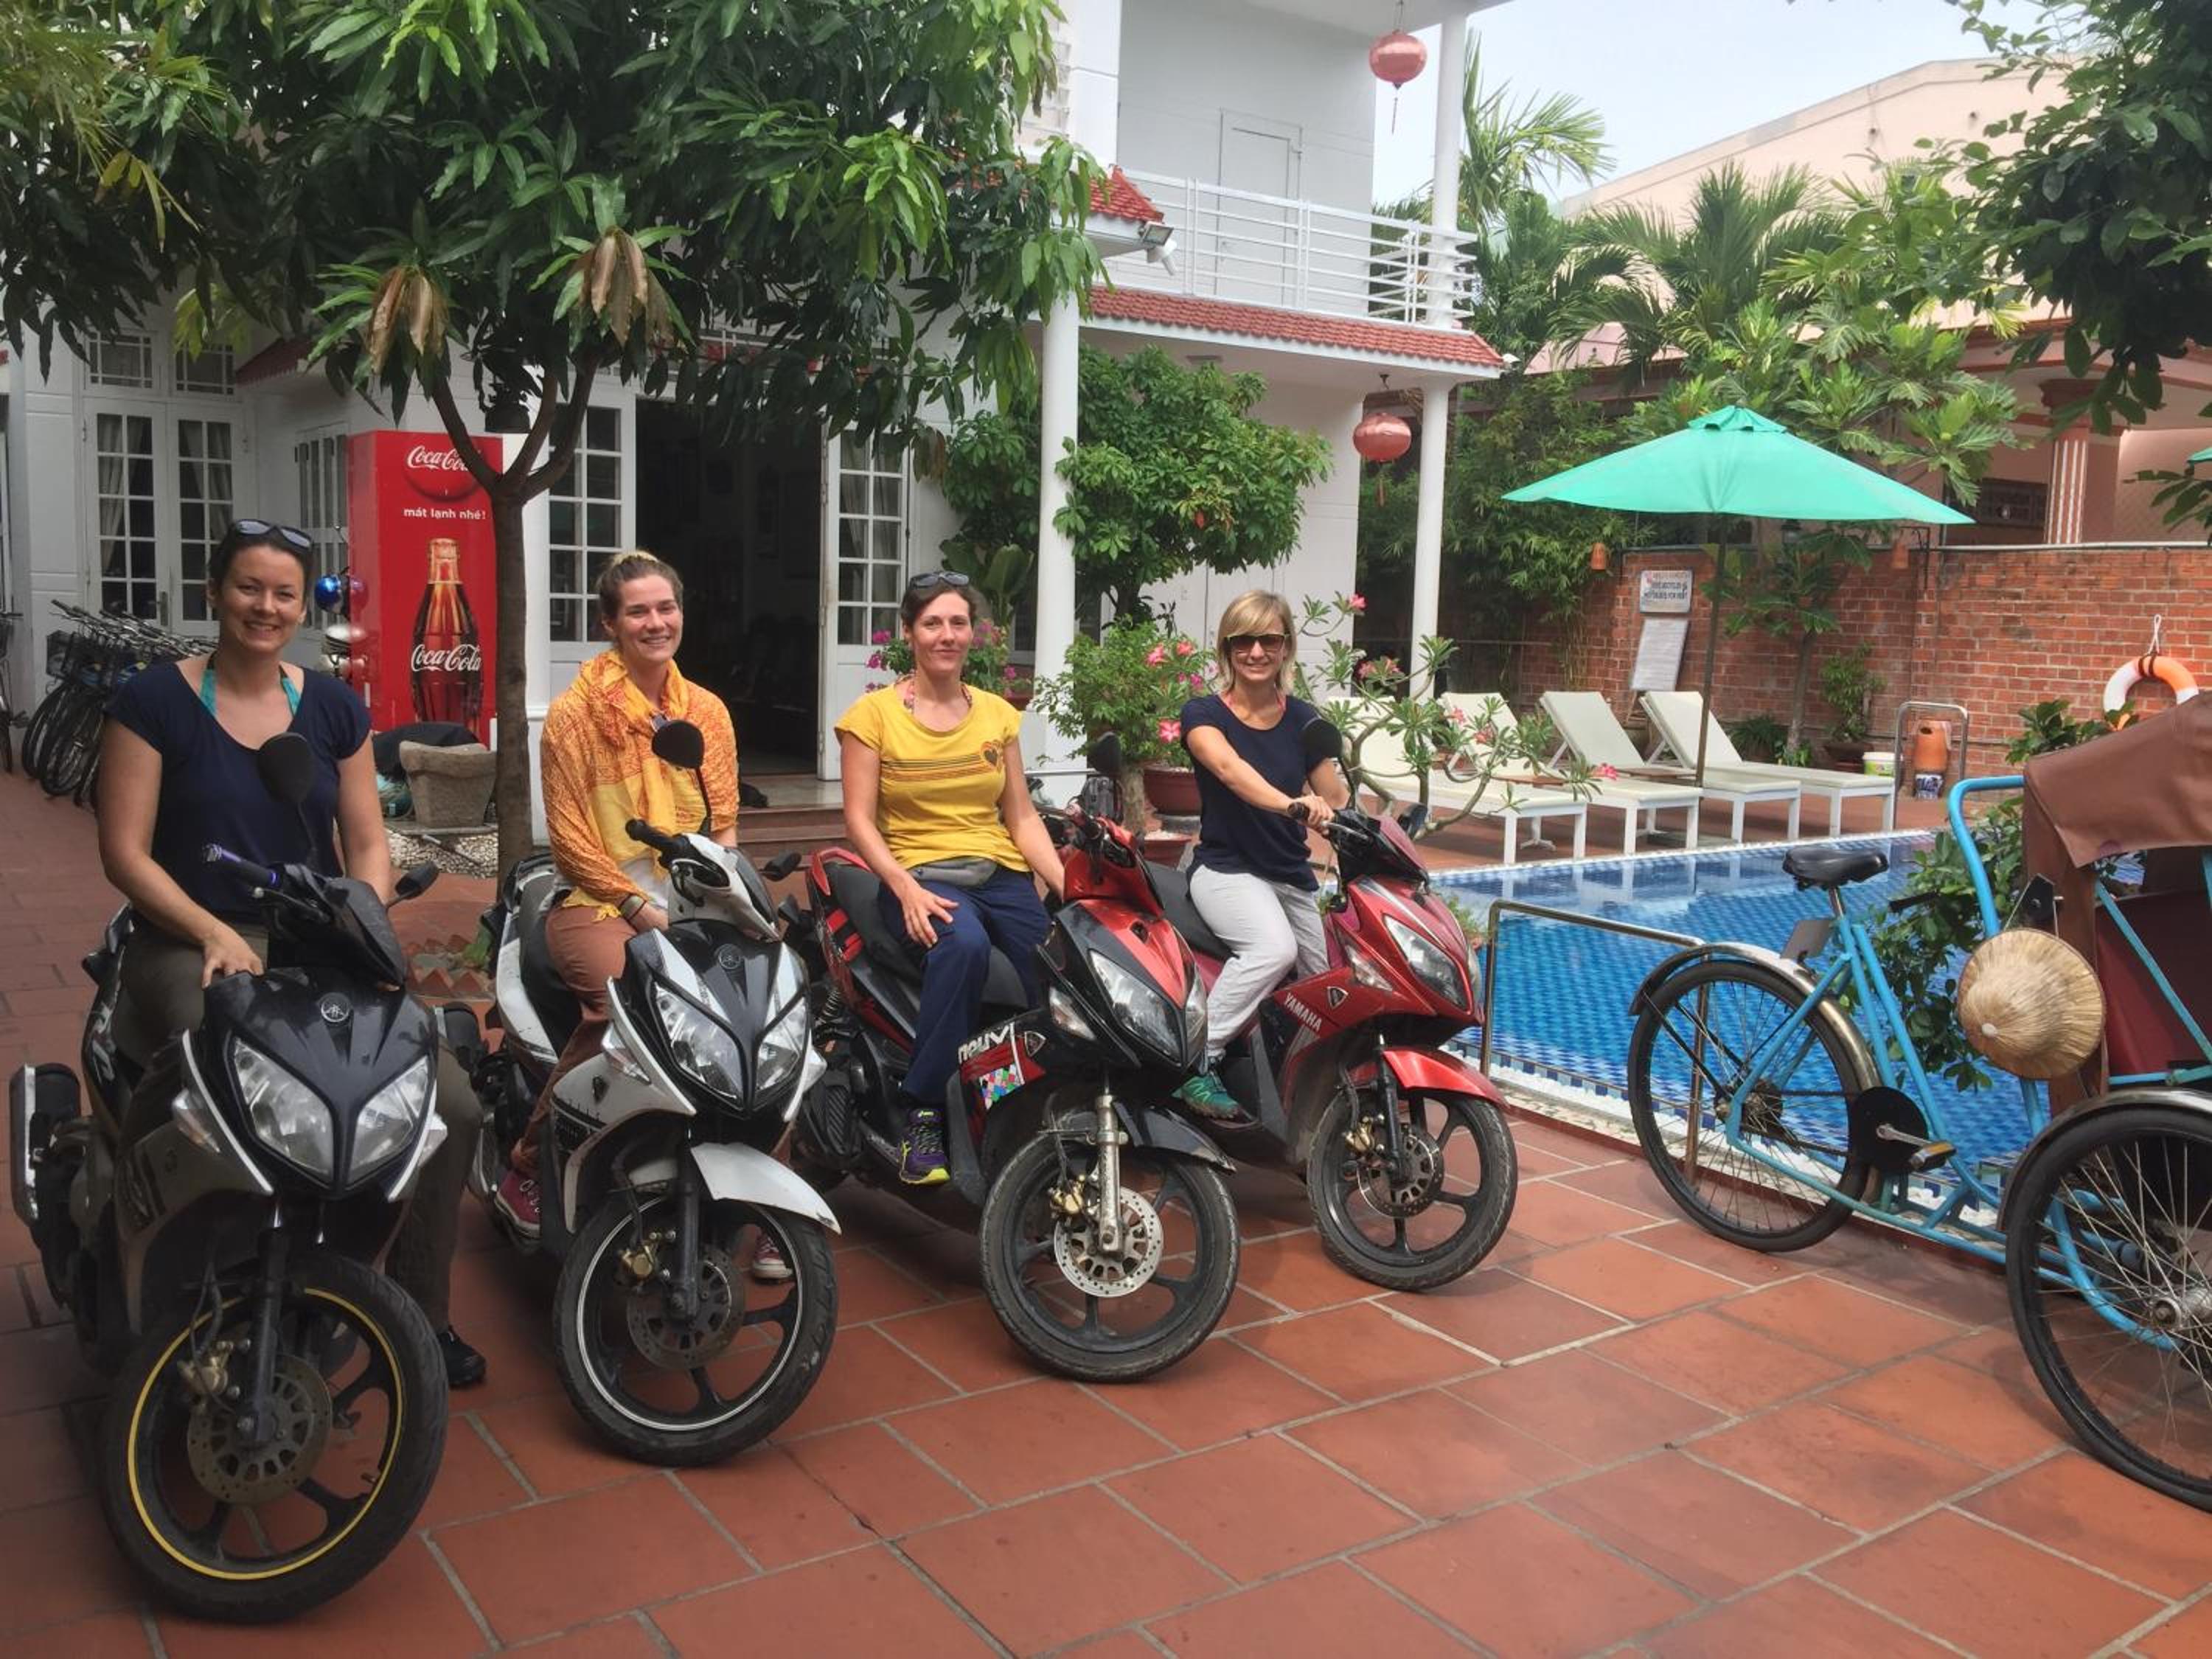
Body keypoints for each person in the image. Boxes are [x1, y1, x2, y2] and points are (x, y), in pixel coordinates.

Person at [96, 518, 487, 1386]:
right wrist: (211, 930)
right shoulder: (154, 702)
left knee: (450, 1102)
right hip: (191, 937)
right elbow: (124, 852)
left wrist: (363, 917)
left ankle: (420, 1316)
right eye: (248, 587)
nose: (265, 607)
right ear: (214, 593)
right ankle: (145, 1285)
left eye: (284, 593)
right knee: (204, 1079)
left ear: (303, 607)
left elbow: (367, 841)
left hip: (315, 942)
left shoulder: (334, 708)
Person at [491, 552, 770, 1263]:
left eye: (665, 608)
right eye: (638, 611)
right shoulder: (573, 716)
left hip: (692, 899)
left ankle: (766, 1198)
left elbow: (723, 824)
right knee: (619, 1008)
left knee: (765, 1012)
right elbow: (571, 842)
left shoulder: (706, 711)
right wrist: (638, 906)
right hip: (598, 898)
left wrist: (729, 895)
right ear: (610, 624)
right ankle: (529, 1161)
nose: (656, 622)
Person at [836, 574, 1064, 1183]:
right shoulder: (872, 717)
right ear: (909, 633)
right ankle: (924, 1110)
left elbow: (1021, 815)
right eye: (932, 623)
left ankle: (1022, 1093)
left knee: (1060, 958)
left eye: (958, 623)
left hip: (999, 872)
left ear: (973, 633)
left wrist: (1069, 885)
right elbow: (858, 820)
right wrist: (904, 886)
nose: (947, 635)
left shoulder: (996, 714)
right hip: (918, 872)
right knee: (962, 947)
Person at [1175, 589, 1349, 1116]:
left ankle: (1297, 1086)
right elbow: (1232, 772)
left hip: (1289, 873)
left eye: (1269, 639)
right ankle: (1195, 1060)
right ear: (1227, 649)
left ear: (1286, 646)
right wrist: (1294, 805)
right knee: (1273, 950)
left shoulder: (1303, 720)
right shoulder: (1204, 714)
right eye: (1243, 640)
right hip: (1225, 870)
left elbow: (1337, 799)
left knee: (1328, 985)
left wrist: (1356, 815)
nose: (1256, 651)